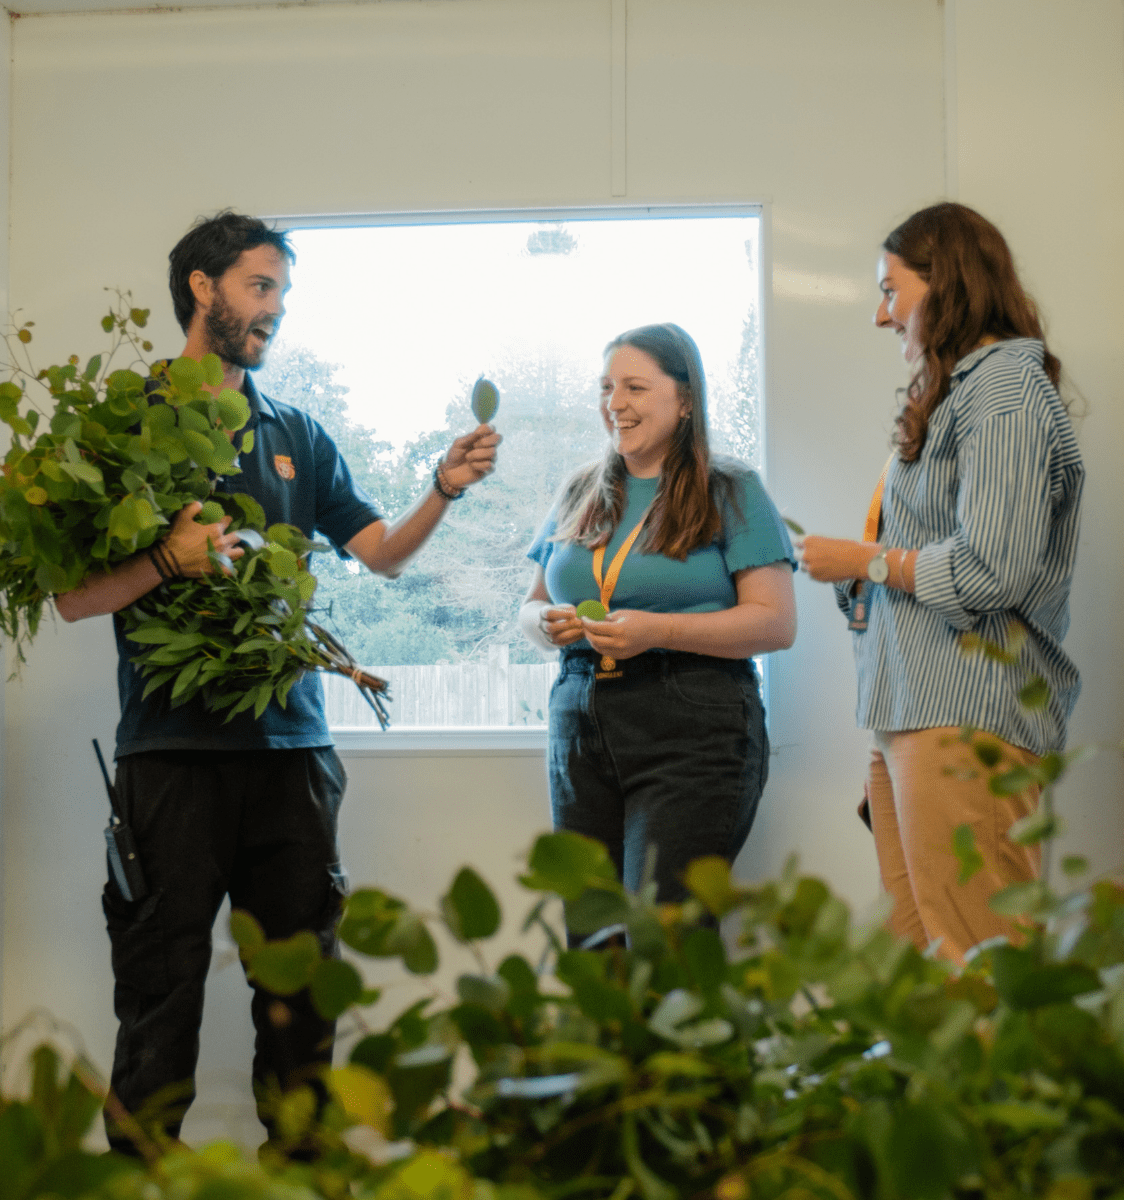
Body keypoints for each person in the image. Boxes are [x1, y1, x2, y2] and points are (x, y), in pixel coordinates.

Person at [55, 211, 501, 1156]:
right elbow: (72, 599)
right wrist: (168, 564)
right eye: (261, 288)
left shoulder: (295, 432)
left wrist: (443, 488)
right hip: (169, 757)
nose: (275, 312)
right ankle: (142, 1172)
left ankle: (309, 1172)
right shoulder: (120, 428)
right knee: (159, 988)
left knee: (301, 994)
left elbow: (377, 555)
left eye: (283, 297)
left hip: (292, 755)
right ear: (202, 288)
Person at [798, 202, 1084, 964]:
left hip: (963, 715)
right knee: (930, 967)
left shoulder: (1004, 394)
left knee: (979, 959)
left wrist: (862, 562)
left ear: (945, 285)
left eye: (891, 291)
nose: (880, 315)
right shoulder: (959, 395)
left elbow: (990, 568)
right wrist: (855, 570)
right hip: (914, 710)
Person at [520, 323, 796, 924]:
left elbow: (775, 624)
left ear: (685, 399)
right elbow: (530, 605)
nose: (614, 404)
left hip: (692, 727)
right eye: (606, 387)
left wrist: (657, 630)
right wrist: (547, 622)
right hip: (579, 721)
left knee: (665, 945)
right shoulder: (578, 491)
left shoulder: (731, 488)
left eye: (636, 387)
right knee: (594, 946)